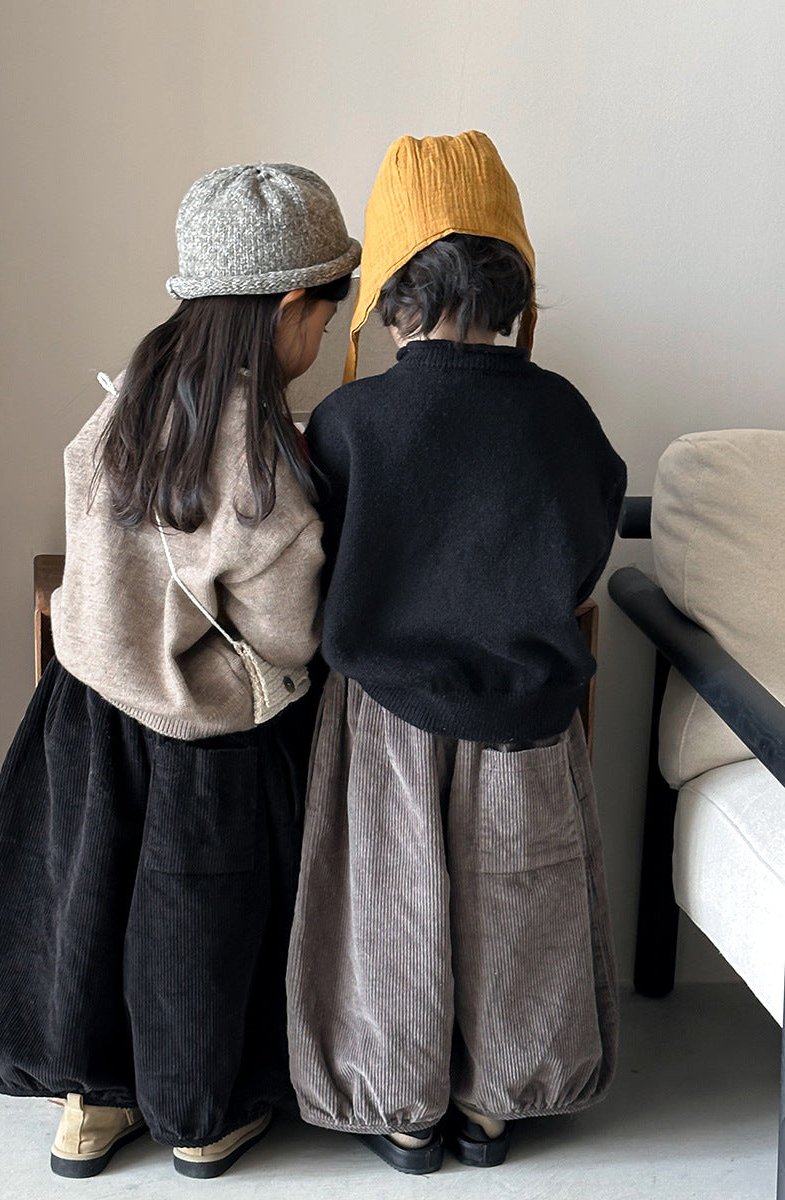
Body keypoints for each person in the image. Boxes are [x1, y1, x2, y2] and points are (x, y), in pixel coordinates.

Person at [0, 162, 360, 1180]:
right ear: (290, 306)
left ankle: (90, 1106)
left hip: (83, 708)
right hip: (202, 737)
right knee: (194, 926)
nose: (323, 340)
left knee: (87, 908)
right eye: (327, 315)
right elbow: (287, 635)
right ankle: (199, 1117)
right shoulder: (264, 463)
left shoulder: (126, 402)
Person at [286, 131, 626, 1175]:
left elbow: (314, 564)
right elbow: (587, 549)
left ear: (391, 292)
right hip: (526, 712)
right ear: (516, 278)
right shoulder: (563, 413)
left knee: (388, 907)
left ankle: (401, 1111)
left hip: (384, 713)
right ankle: (496, 1106)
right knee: (520, 898)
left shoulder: (349, 421)